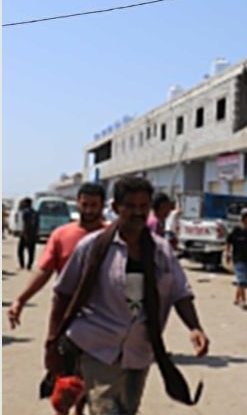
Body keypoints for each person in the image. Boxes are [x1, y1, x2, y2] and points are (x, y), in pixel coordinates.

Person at [45, 176, 209, 414]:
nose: (138, 212)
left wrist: (195, 327)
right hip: (98, 347)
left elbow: (179, 291)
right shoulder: (92, 247)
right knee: (105, 409)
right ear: (115, 208)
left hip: (139, 350)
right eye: (130, 206)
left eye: (143, 206)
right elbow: (63, 294)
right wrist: (52, 342)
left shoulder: (161, 251)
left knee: (127, 410)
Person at [8, 183, 106, 330]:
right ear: (78, 203)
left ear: (102, 206)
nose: (89, 210)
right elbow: (44, 271)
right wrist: (21, 300)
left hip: (102, 313)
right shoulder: (61, 235)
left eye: (94, 205)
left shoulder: (112, 236)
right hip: (65, 309)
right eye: (85, 204)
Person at [17, 197, 39, 270]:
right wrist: (36, 233)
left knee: (20, 250)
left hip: (25, 234)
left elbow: (25, 224)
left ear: (26, 203)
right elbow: (37, 224)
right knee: (31, 251)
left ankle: (22, 265)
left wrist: (24, 233)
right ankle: (29, 265)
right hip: (33, 234)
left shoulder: (25, 212)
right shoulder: (35, 212)